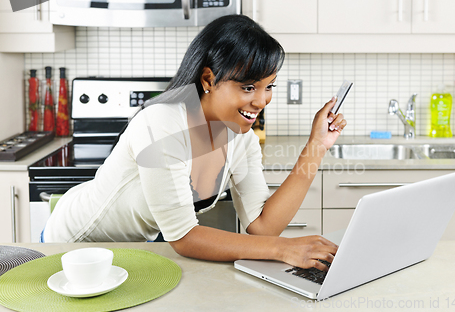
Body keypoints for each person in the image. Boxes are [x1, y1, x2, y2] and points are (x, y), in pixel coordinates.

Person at [44, 14, 347, 272]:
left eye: (269, 86)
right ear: (207, 79)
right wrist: (281, 250)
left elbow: (263, 226)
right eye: (249, 86)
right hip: (72, 244)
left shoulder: (241, 139)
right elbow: (184, 237)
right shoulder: (161, 124)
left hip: (130, 251)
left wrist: (316, 147)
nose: (261, 100)